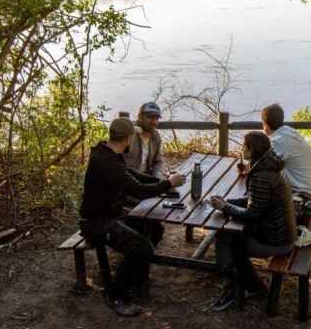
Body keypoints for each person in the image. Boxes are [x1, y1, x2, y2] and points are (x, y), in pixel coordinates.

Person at [79, 117, 186, 317]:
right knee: (142, 247)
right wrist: (168, 184)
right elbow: (138, 190)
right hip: (96, 224)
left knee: (155, 228)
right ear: (128, 139)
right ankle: (116, 294)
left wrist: (162, 180)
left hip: (111, 215)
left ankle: (137, 276)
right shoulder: (108, 163)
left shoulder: (106, 152)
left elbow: (131, 175)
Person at [208, 131, 297, 311]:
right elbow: (254, 201)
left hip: (274, 241)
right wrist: (226, 202)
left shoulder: (262, 176)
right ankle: (254, 286)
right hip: (282, 234)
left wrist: (224, 207)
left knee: (226, 236)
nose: (241, 149)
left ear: (252, 150)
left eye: (243, 146)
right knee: (234, 236)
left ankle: (231, 289)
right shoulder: (268, 166)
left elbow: (252, 213)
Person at [261, 103, 311, 202]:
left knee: (260, 198)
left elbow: (264, 167)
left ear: (265, 125)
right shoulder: (288, 131)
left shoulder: (277, 142)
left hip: (303, 195)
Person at [124, 102, 165, 176]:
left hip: (147, 177)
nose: (154, 122)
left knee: (174, 185)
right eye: (150, 117)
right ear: (140, 116)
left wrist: (158, 175)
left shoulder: (156, 135)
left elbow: (158, 161)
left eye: (157, 118)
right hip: (128, 177)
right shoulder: (128, 132)